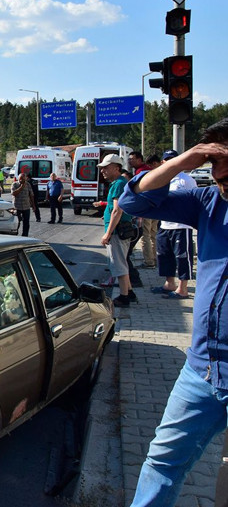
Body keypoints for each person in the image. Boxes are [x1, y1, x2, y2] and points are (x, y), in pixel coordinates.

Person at [119, 118, 228, 507]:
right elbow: (133, 201)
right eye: (213, 164)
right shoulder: (208, 202)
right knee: (162, 463)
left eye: (226, 162)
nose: (220, 175)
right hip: (202, 370)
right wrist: (184, 161)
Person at [151, 149, 197, 300]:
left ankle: (182, 289)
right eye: (167, 159)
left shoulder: (186, 180)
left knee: (182, 257)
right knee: (164, 255)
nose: (169, 161)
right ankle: (169, 284)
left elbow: (195, 201)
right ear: (163, 162)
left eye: (173, 159)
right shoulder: (161, 180)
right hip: (165, 225)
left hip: (181, 226)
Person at [97, 154, 136, 307]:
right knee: (122, 263)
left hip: (117, 232)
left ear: (116, 167)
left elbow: (117, 211)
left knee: (118, 265)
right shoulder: (119, 182)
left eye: (106, 168)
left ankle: (124, 297)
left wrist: (107, 233)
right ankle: (130, 292)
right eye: (101, 168)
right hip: (120, 230)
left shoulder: (119, 184)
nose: (102, 171)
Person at [136, 154, 161, 269]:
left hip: (146, 209)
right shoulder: (162, 175)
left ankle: (149, 261)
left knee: (145, 235)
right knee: (153, 234)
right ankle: (155, 258)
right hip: (156, 208)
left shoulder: (147, 175)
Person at [11, 171, 35, 236]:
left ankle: (25, 235)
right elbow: (14, 193)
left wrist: (33, 205)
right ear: (18, 178)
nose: (22, 180)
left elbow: (31, 195)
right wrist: (21, 187)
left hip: (26, 206)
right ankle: (15, 234)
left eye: (23, 179)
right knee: (17, 222)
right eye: (20, 179)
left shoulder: (28, 184)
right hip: (17, 207)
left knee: (26, 222)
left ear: (26, 179)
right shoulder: (14, 184)